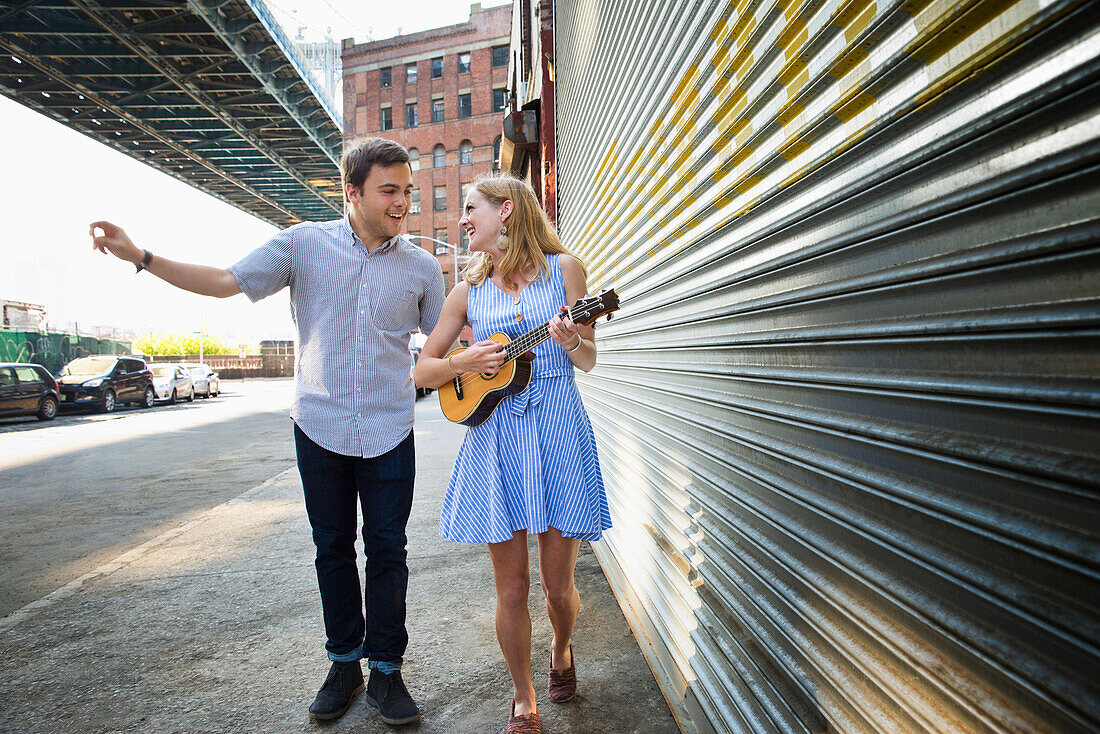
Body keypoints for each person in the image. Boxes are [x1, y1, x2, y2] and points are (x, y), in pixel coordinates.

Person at [88, 137, 445, 727]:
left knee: (388, 551)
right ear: (351, 193)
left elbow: (447, 343)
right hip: (320, 425)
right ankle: (344, 665)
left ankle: (387, 671)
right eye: (390, 190)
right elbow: (227, 281)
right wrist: (141, 256)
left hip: (389, 428)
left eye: (407, 190)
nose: (403, 202)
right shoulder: (302, 244)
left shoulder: (422, 267)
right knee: (332, 549)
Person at [412, 176, 611, 734]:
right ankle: (524, 698)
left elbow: (589, 360)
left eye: (470, 209)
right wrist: (466, 361)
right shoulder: (465, 293)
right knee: (512, 589)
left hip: (556, 431)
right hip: (497, 438)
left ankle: (563, 648)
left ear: (506, 210)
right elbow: (423, 370)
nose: (461, 221)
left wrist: (571, 338)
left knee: (556, 587)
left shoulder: (565, 270)